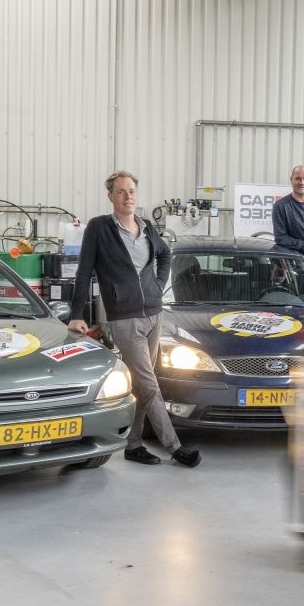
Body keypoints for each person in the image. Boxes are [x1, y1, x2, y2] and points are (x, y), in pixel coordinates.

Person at [68, 171, 201, 468]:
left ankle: (134, 445)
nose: (128, 196)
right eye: (121, 191)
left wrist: (157, 284)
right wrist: (77, 314)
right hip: (124, 318)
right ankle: (175, 447)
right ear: (111, 196)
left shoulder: (147, 226)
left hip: (154, 314)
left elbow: (165, 255)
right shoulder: (99, 228)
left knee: (142, 385)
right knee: (150, 385)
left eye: (131, 191)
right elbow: (84, 271)